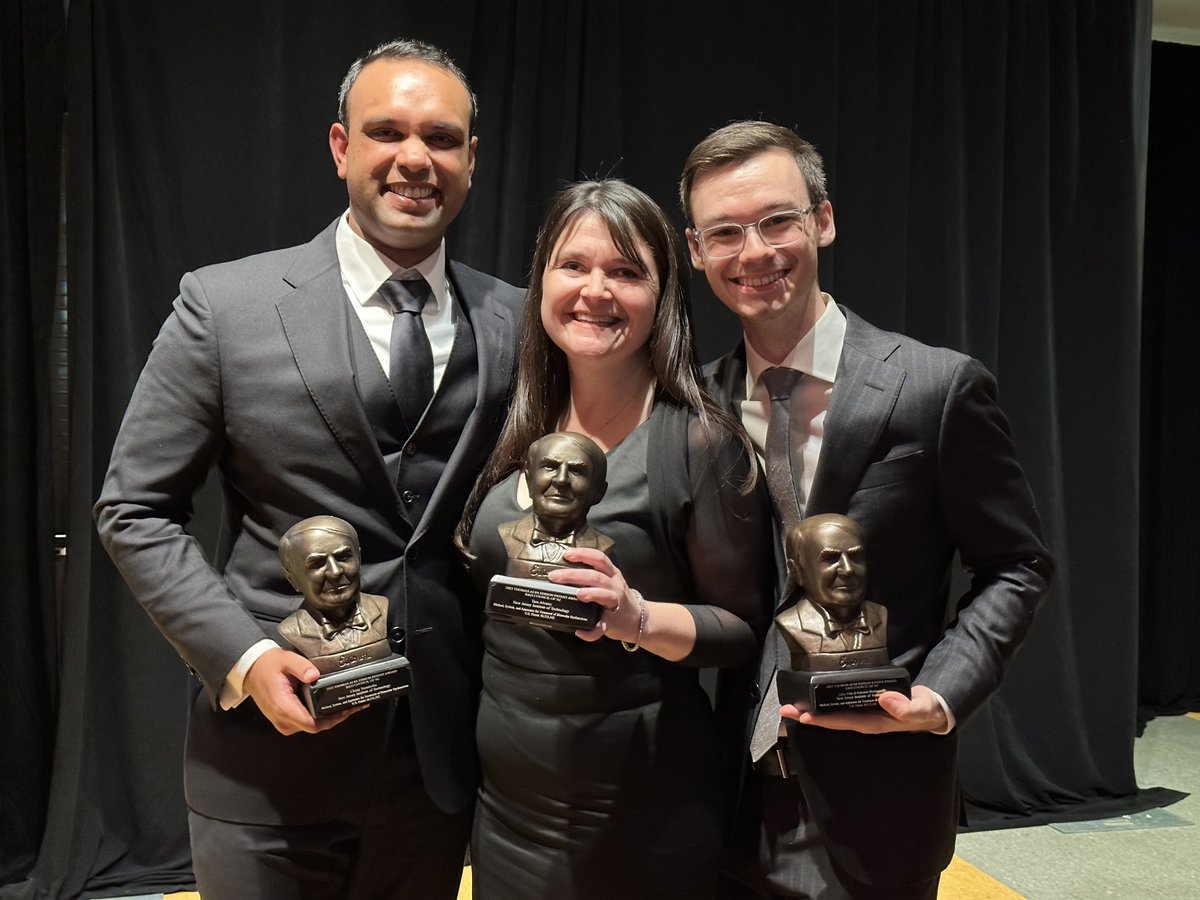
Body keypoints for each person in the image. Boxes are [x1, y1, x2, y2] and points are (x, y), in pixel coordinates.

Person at [92, 38, 524, 899]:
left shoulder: (515, 319)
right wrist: (244, 658)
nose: (414, 159)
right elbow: (133, 509)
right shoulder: (224, 306)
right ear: (340, 148)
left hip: (437, 770)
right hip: (265, 767)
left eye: (441, 138)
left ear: (472, 159)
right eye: (386, 133)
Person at [680, 121, 1054, 899]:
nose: (754, 252)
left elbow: (1016, 564)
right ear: (695, 251)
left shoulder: (936, 389)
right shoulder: (694, 406)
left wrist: (941, 696)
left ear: (823, 219)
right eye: (725, 232)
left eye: (778, 220)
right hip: (711, 804)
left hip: (878, 799)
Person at [455, 179, 775, 898]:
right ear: (542, 279)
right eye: (574, 266)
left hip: (638, 815)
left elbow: (742, 629)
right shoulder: (513, 417)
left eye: (626, 272)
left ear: (662, 296)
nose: (595, 290)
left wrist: (636, 619)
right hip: (507, 816)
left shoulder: (696, 441)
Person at [277, 515, 391, 673]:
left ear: (359, 558)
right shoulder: (292, 631)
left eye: (343, 557)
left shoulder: (383, 608)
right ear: (293, 579)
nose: (335, 572)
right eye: (317, 564)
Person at [775, 514, 890, 670]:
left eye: (855, 557)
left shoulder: (881, 616)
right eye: (831, 559)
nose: (848, 569)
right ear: (797, 572)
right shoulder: (791, 624)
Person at [497, 431, 615, 571]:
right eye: (550, 467)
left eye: (576, 471)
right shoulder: (506, 534)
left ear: (599, 491)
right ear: (530, 481)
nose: (561, 480)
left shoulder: (602, 546)